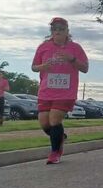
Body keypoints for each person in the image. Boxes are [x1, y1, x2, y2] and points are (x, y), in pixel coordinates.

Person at [32, 17, 89, 164]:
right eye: (54, 29)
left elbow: (85, 68)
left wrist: (71, 59)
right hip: (46, 90)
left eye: (61, 29)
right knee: (44, 123)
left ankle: (55, 153)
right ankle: (59, 137)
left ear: (67, 31)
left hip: (65, 91)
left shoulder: (75, 48)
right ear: (51, 31)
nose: (57, 31)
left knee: (55, 119)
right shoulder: (43, 47)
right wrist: (42, 67)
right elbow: (33, 67)